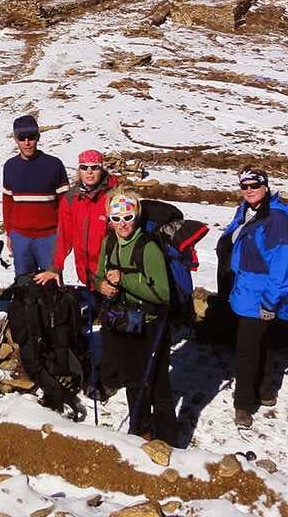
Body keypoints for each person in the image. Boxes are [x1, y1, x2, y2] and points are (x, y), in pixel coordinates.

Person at [218, 168, 288, 429]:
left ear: (266, 186)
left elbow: (283, 263)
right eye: (244, 186)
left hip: (261, 293)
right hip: (244, 289)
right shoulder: (245, 210)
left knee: (246, 350)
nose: (249, 190)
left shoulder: (276, 218)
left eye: (254, 185)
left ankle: (243, 404)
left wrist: (270, 300)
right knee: (261, 342)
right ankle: (265, 391)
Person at [92, 189, 175, 444]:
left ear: (136, 216)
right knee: (133, 380)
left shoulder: (148, 248)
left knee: (157, 382)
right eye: (116, 219)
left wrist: (124, 281)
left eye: (127, 217)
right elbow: (98, 275)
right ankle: (139, 431)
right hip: (124, 322)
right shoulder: (109, 243)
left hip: (151, 325)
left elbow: (163, 293)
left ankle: (167, 440)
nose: (122, 224)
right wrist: (101, 286)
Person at [37, 149, 118, 289]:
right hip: (86, 273)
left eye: (95, 167)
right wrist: (54, 267)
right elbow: (64, 236)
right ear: (79, 170)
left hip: (112, 274)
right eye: (84, 167)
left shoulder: (115, 195)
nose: (89, 172)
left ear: (102, 168)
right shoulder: (70, 198)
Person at [1, 115, 68, 277]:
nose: (27, 142)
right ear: (15, 139)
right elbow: (7, 203)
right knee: (24, 286)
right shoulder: (10, 166)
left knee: (52, 285)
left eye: (31, 137)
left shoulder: (54, 164)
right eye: (21, 138)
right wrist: (9, 233)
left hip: (49, 237)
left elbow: (65, 204)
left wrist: (63, 235)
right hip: (20, 238)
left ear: (38, 136)